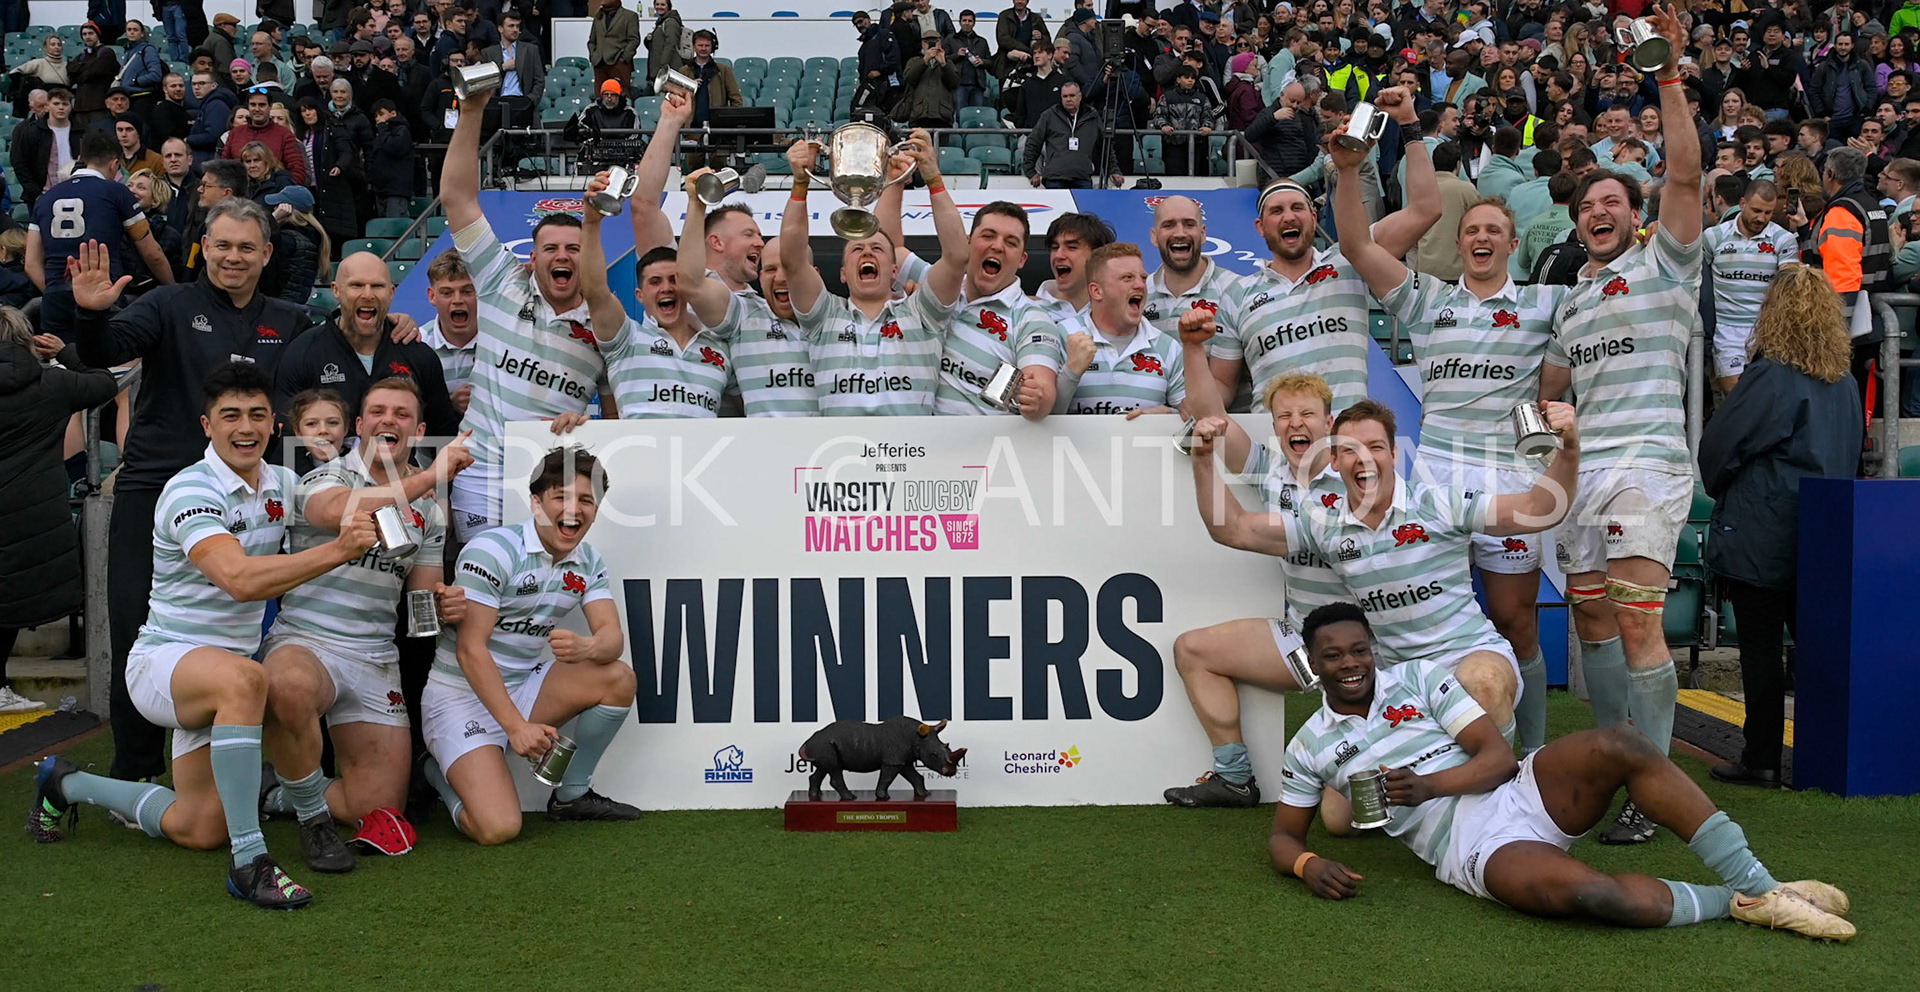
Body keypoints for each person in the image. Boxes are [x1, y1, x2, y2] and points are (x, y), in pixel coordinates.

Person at [1268, 603, 1855, 942]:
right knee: (1595, 895)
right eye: (1334, 656)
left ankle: (1760, 883)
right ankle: (1743, 903)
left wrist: (1427, 785)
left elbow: (1497, 758)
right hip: (1472, 844)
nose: (1351, 665)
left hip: (1519, 787)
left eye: (1359, 650)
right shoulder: (1310, 745)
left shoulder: (1419, 678)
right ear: (1313, 664)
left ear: (1374, 648)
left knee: (1620, 743)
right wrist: (1306, 862)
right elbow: (1283, 835)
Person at [28, 358, 379, 910]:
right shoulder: (188, 490)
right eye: (231, 415)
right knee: (253, 677)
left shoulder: (280, 480)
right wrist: (338, 550)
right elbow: (239, 580)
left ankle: (65, 784)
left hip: (225, 674)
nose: (246, 427)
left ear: (275, 425)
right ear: (206, 425)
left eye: (258, 415)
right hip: (167, 663)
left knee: (198, 826)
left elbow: (334, 507)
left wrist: (420, 484)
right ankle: (257, 856)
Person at [72, 199, 335, 782]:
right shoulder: (167, 303)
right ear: (204, 249)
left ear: (267, 254)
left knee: (249, 627)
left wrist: (390, 324)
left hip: (248, 499)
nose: (233, 257)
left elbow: (335, 374)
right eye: (222, 245)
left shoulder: (291, 322)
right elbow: (104, 351)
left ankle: (250, 764)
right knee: (134, 621)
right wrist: (89, 315)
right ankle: (135, 768)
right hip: (154, 489)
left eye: (246, 247)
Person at [1333, 130, 1566, 755]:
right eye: (1473, 230)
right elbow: (1356, 243)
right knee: (1421, 626)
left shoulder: (1547, 305)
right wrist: (1349, 170)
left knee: (1518, 624)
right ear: (1459, 241)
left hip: (1508, 483)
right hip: (1434, 477)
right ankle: (1415, 749)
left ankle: (1531, 759)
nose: (1483, 238)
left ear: (1513, 245)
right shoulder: (1427, 297)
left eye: (1495, 231)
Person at [1536, 4, 1703, 847]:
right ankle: (1610, 763)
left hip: (1647, 465)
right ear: (1575, 223)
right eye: (1587, 204)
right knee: (1593, 620)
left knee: (1639, 617)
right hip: (1587, 471)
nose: (1598, 210)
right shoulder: (1570, 301)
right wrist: (1540, 440)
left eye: (1612, 199)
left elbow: (1682, 176)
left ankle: (1651, 785)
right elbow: (1548, 395)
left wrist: (1667, 76)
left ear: (1635, 214)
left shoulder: (1665, 263)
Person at [1187, 395, 1581, 746]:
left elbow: (1538, 508)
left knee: (1483, 685)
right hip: (1396, 678)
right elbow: (1232, 528)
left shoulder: (1438, 503)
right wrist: (1204, 461)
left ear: (1394, 454)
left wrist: (1568, 450)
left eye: (1375, 447)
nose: (1364, 458)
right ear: (1336, 460)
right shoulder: (1322, 522)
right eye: (1350, 450)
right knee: (1341, 817)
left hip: (1468, 655)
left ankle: (1500, 784)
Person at [262, 379, 472, 867]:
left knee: (375, 809)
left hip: (376, 656)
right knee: (288, 687)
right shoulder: (323, 476)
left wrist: (441, 606)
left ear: (417, 430)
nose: (387, 420)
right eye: (377, 411)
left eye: (401, 414)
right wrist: (428, 478)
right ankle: (309, 813)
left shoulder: (431, 513)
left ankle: (276, 793)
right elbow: (337, 511)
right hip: (306, 641)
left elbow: (419, 603)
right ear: (359, 426)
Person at [419, 447, 641, 843]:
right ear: (537, 503)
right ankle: (434, 771)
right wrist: (516, 728)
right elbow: (471, 650)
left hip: (523, 686)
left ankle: (571, 796)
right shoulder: (493, 549)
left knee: (618, 678)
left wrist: (589, 649)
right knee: (498, 828)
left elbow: (612, 638)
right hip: (459, 696)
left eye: (586, 500)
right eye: (562, 497)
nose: (575, 509)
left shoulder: (589, 561)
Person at [1699, 266, 1864, 789]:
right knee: (1818, 647)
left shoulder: (1772, 375)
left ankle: (1762, 756)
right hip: (1825, 529)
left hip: (1765, 526)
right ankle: (1830, 754)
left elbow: (1719, 449)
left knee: (1761, 648)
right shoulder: (1845, 383)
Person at [440, 83, 611, 544]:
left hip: (553, 484)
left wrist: (589, 426)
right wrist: (473, 109)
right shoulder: (500, 282)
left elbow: (617, 425)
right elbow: (457, 197)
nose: (563, 256)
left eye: (574, 248)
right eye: (550, 248)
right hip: (480, 474)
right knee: (479, 594)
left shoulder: (607, 327)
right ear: (530, 259)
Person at [1206, 86, 1437, 413]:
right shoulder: (1237, 294)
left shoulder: (1350, 260)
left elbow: (1425, 210)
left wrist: (1410, 126)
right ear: (1260, 227)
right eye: (1276, 211)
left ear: (1314, 218)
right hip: (1277, 451)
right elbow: (1222, 386)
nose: (1288, 216)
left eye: (1297, 208)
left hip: (1346, 449)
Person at [779, 131, 968, 415]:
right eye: (856, 250)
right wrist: (800, 182)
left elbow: (957, 257)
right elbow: (792, 260)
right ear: (843, 274)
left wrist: (933, 178)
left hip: (912, 455)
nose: (867, 253)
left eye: (877, 249)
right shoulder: (824, 316)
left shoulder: (922, 314)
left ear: (895, 271)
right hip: (840, 455)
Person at [0, 309, 117, 714]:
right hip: (32, 511)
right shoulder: (51, 383)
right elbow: (104, 382)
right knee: (12, 600)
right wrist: (68, 352)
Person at [878, 193, 1061, 418]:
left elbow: (1042, 388)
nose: (998, 246)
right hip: (910, 443)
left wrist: (1037, 397)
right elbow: (890, 248)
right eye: (988, 235)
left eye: (1010, 242)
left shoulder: (1033, 319)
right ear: (968, 242)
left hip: (977, 448)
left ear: (1022, 260)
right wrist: (896, 182)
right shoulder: (934, 282)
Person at [274, 251, 459, 438]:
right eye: (357, 285)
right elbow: (288, 437)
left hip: (399, 467)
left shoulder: (418, 355)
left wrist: (431, 469)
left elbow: (442, 436)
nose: (368, 294)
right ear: (336, 290)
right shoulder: (303, 353)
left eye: (377, 286)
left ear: (391, 293)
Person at [675, 179, 819, 418]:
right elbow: (691, 282)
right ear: (761, 278)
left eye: (791, 269)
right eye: (771, 269)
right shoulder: (745, 314)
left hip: (834, 447)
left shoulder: (838, 316)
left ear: (814, 275)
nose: (782, 277)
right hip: (768, 448)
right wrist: (696, 204)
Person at [26, 129, 175, 342]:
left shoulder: (45, 199)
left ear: (80, 159)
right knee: (105, 364)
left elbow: (31, 263)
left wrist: (55, 291)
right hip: (103, 292)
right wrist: (172, 288)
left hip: (56, 296)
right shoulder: (117, 192)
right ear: (114, 164)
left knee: (59, 363)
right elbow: (153, 253)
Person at [1807, 146, 1892, 430]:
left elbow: (1842, 275)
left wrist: (1834, 333)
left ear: (1830, 174)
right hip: (1867, 317)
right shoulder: (1871, 204)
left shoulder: (1843, 211)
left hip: (1849, 322)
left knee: (1840, 410)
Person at [1057, 243, 1185, 415]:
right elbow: (1040, 419)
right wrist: (1070, 373)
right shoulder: (1063, 335)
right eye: (1128, 278)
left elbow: (1191, 421)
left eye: (1143, 277)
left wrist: (1167, 417)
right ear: (1096, 291)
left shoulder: (1168, 347)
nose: (1140, 285)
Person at [1702, 180, 1799, 394]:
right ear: (1743, 203)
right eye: (1756, 210)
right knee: (1737, 396)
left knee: (1768, 398)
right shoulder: (1714, 237)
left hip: (1768, 331)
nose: (1761, 218)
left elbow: (1789, 286)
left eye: (1768, 213)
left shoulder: (1783, 239)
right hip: (1728, 331)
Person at [419, 249, 478, 415]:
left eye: (467, 291)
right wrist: (448, 404)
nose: (457, 300)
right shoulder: (419, 342)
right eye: (447, 293)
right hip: (437, 438)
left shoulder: (501, 340)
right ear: (432, 296)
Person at [1023, 81, 1112, 189]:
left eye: (1072, 96)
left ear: (1080, 96)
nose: (1068, 99)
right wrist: (1030, 171)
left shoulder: (1092, 116)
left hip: (1082, 178)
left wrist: (1114, 170)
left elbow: (1105, 145)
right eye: (1065, 96)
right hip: (1055, 179)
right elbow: (1033, 143)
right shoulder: (1049, 115)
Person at [223, 88, 310, 185]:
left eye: (262, 105)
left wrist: (281, 191)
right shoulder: (235, 133)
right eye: (253, 105)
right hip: (241, 195)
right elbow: (224, 167)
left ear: (270, 107)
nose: (257, 109)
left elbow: (297, 170)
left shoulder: (284, 134)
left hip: (274, 194)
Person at [11, 87, 79, 209]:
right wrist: (35, 191)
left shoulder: (81, 132)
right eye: (56, 103)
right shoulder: (32, 132)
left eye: (65, 104)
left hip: (75, 194)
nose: (61, 107)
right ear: (48, 105)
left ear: (71, 106)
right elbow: (20, 163)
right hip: (42, 195)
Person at [266, 185, 330, 308]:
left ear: (287, 210)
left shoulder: (286, 240)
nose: (274, 208)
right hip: (291, 307)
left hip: (278, 308)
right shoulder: (310, 236)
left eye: (277, 205)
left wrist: (273, 219)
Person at [367, 99, 414, 219]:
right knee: (383, 229)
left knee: (395, 228)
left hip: (396, 190)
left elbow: (394, 148)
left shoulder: (402, 130)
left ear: (393, 113)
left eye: (381, 114)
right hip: (380, 190)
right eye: (376, 116)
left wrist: (383, 129)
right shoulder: (379, 135)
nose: (378, 119)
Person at [587, 0, 641, 94]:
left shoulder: (629, 16)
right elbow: (592, 40)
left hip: (618, 63)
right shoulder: (599, 16)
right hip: (599, 63)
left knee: (622, 95)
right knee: (600, 96)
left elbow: (634, 40)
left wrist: (623, 58)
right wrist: (593, 55)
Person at [644, 0, 686, 77]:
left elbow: (671, 44)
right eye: (657, 4)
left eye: (662, 5)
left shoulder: (671, 22)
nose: (659, 7)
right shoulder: (661, 22)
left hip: (669, 70)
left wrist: (663, 66)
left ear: (668, 6)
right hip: (662, 69)